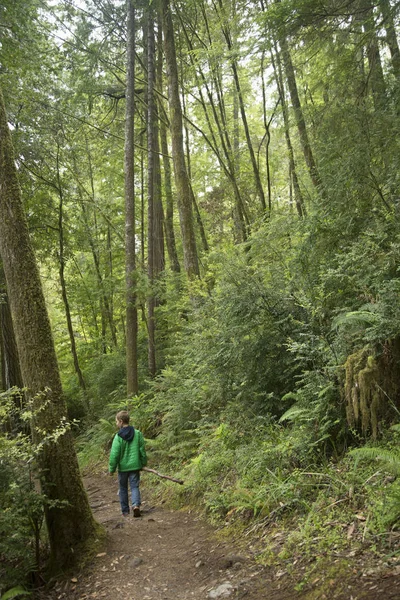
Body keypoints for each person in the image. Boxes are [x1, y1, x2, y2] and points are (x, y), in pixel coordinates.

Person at [109, 410, 147, 518]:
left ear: (121, 421)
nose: (116, 424)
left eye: (116, 421)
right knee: (135, 486)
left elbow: (114, 454)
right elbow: (142, 450)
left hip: (123, 468)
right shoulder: (138, 433)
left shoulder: (118, 437)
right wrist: (143, 462)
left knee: (123, 488)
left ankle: (125, 511)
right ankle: (136, 506)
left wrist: (111, 469)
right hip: (135, 466)